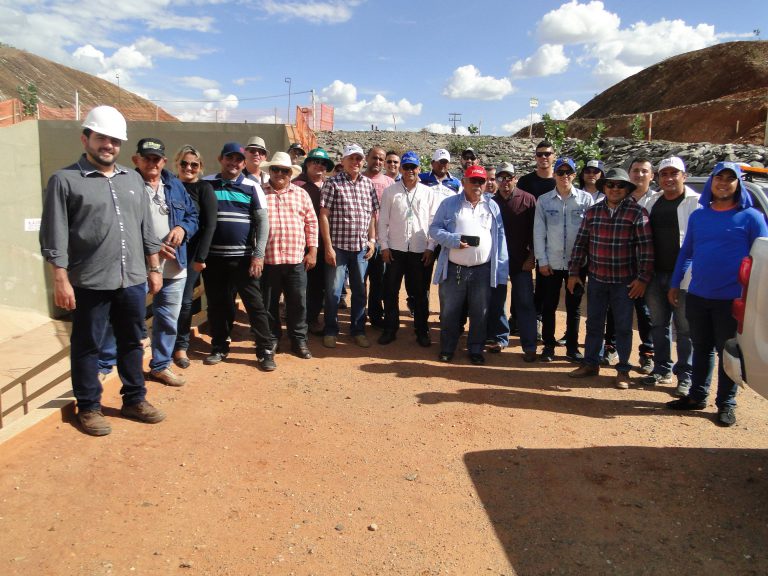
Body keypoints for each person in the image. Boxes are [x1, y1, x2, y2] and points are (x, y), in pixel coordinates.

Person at [39, 105, 165, 436]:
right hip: (89, 281)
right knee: (88, 346)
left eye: (114, 140)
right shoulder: (65, 181)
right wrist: (60, 279)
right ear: (86, 138)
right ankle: (89, 407)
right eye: (101, 138)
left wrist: (154, 268)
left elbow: (146, 229)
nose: (107, 145)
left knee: (132, 342)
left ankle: (134, 399)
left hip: (132, 279)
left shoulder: (132, 180)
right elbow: (55, 234)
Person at [666, 162, 768, 426]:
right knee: (701, 348)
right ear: (711, 182)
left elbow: (762, 261)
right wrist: (675, 283)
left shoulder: (751, 218)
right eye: (718, 178)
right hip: (699, 295)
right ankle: (697, 396)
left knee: (728, 353)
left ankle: (726, 404)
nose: (723, 183)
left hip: (732, 299)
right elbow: (686, 252)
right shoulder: (699, 216)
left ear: (738, 184)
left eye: (729, 179)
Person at [567, 168, 654, 389]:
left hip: (624, 282)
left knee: (623, 327)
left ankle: (623, 370)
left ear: (627, 189)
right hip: (597, 279)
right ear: (604, 187)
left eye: (620, 185)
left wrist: (643, 279)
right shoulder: (593, 212)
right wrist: (574, 273)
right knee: (594, 323)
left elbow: (646, 249)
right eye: (611, 185)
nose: (615, 189)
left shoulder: (637, 213)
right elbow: (581, 243)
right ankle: (590, 363)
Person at [202, 142, 275, 371]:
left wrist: (258, 255)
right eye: (229, 158)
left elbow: (263, 223)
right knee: (218, 304)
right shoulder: (207, 183)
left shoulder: (252, 186)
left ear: (244, 163)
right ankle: (219, 347)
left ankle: (264, 350)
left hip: (243, 259)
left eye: (238, 160)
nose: (233, 163)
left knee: (255, 305)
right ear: (220, 158)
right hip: (213, 258)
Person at [132, 138, 198, 387]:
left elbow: (192, 215)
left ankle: (160, 365)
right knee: (134, 319)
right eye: (146, 158)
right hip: (138, 265)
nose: (152, 163)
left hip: (174, 264)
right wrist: (151, 245)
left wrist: (182, 228)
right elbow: (123, 224)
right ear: (136, 159)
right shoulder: (128, 183)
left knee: (168, 319)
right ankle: (130, 370)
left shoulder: (174, 185)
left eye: (156, 158)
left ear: (164, 161)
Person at [430, 165, 508, 365]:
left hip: (482, 269)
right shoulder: (449, 204)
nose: (477, 185)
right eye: (473, 180)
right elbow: (435, 229)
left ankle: (475, 349)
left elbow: (499, 238)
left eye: (481, 181)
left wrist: (500, 270)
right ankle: (447, 348)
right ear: (463, 181)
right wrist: (454, 240)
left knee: (479, 312)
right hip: (454, 268)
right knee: (449, 312)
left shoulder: (492, 206)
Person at [641, 156, 700, 395]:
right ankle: (661, 368)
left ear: (684, 176)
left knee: (685, 329)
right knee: (658, 324)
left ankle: (685, 375)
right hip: (655, 274)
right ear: (658, 178)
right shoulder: (652, 202)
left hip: (684, 277)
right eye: (664, 174)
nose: (669, 178)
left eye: (674, 174)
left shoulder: (696, 203)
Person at [377, 151, 441, 347]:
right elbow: (383, 221)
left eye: (413, 167)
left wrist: (431, 247)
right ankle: (390, 328)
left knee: (420, 293)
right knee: (390, 291)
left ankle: (421, 330)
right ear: (401, 169)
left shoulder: (429, 193)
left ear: (419, 169)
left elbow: (433, 222)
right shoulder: (390, 191)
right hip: (395, 249)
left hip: (420, 250)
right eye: (406, 167)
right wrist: (384, 246)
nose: (410, 170)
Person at [319, 143, 379, 348]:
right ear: (343, 161)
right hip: (338, 247)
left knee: (360, 291)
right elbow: (324, 216)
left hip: (361, 249)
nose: (356, 162)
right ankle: (330, 330)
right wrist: (327, 247)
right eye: (351, 158)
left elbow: (372, 215)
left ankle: (358, 330)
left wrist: (372, 240)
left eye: (359, 158)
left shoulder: (368, 184)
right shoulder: (332, 183)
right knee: (334, 291)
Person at [533, 157, 594, 363]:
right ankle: (548, 347)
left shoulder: (586, 200)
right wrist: (541, 260)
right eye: (560, 172)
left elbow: (590, 233)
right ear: (555, 175)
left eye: (568, 172)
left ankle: (572, 347)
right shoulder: (544, 200)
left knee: (574, 307)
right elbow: (538, 232)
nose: (564, 176)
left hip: (577, 264)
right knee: (549, 306)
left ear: (574, 175)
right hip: (551, 263)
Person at [260, 152, 318, 359]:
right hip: (269, 259)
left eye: (284, 170)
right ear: (270, 171)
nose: (279, 174)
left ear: (290, 173)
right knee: (269, 303)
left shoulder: (301, 194)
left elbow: (312, 222)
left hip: (295, 259)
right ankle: (273, 338)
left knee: (298, 302)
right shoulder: (259, 193)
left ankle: (298, 340)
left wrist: (313, 250)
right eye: (275, 169)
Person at [172, 145, 218, 369]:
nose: (188, 168)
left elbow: (209, 225)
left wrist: (201, 258)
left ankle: (180, 345)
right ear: (176, 164)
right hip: (167, 252)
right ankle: (162, 342)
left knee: (185, 301)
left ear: (200, 168)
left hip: (191, 254)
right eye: (184, 163)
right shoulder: (168, 185)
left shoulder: (204, 189)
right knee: (162, 299)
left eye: (194, 164)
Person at [486, 162, 537, 361]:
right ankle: (499, 338)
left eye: (509, 177)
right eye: (501, 177)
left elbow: (536, 232)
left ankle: (529, 345)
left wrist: (532, 257)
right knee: (497, 301)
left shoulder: (528, 200)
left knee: (524, 302)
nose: (505, 181)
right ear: (496, 179)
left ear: (515, 178)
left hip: (521, 261)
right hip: (497, 261)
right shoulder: (491, 202)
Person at [293, 147, 335, 335]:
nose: (319, 165)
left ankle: (311, 319)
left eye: (322, 163)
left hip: (324, 242)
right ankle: (297, 321)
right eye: (315, 161)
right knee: (300, 285)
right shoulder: (296, 185)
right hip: (301, 243)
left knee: (318, 285)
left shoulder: (330, 185)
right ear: (307, 163)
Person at [362, 146, 395, 328]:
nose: (378, 162)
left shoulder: (389, 183)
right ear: (367, 158)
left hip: (382, 240)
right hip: (361, 238)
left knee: (379, 280)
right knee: (360, 280)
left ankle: (375, 315)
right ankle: (359, 315)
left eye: (381, 159)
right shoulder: (359, 179)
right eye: (375, 158)